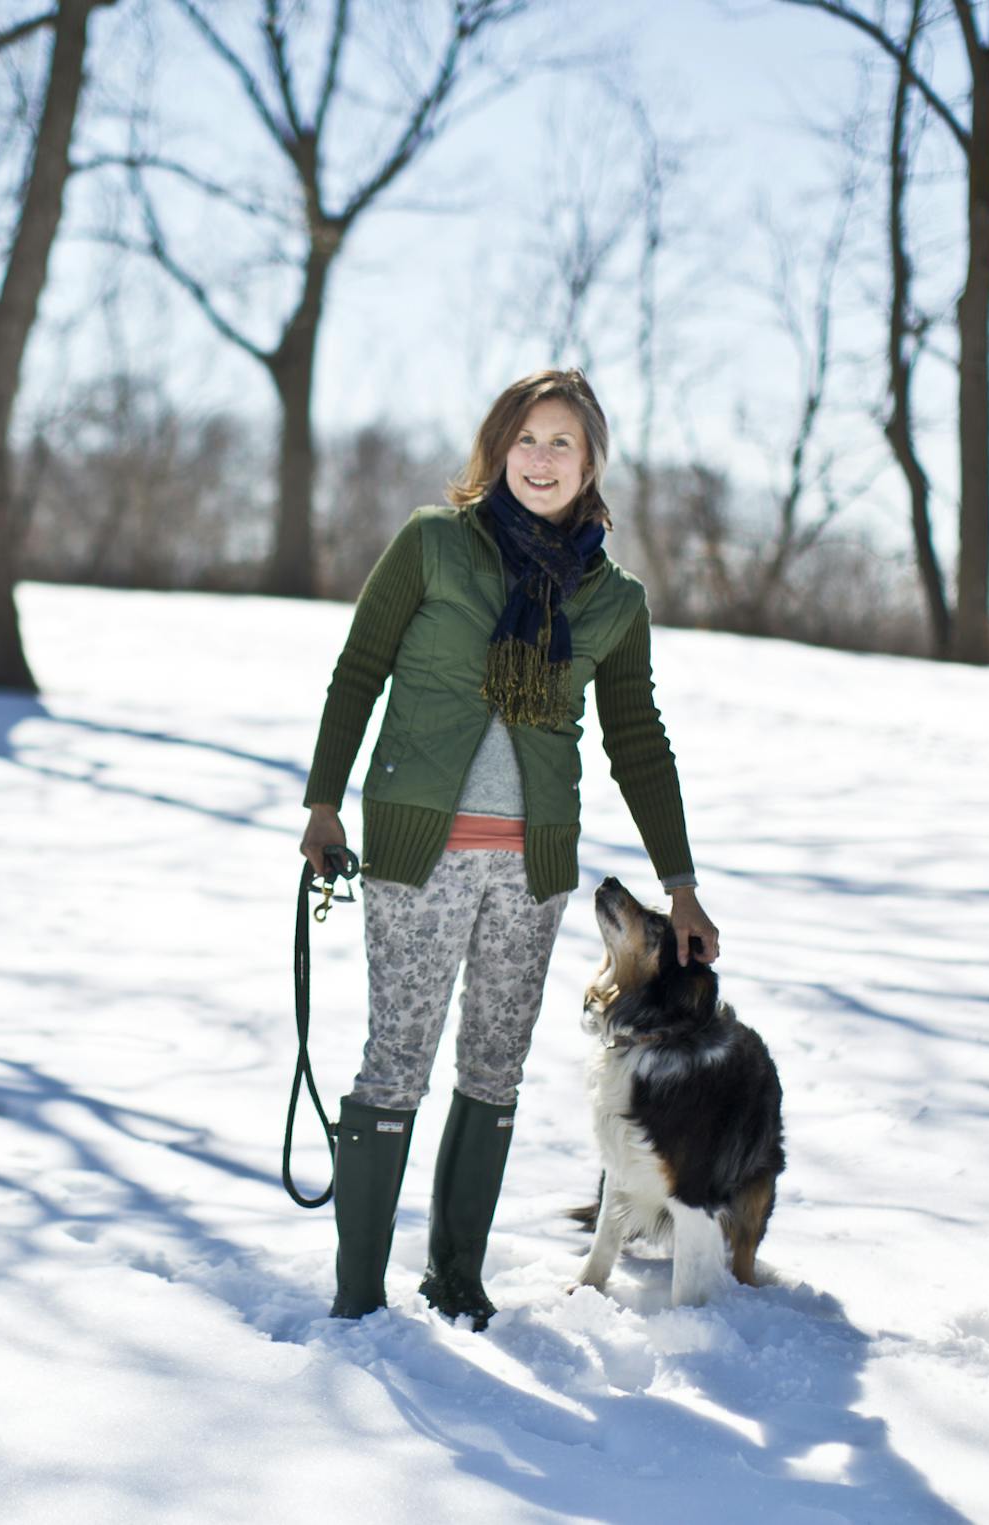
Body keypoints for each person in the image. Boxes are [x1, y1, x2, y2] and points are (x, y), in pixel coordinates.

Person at [298, 367, 719, 1328]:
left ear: (591, 461)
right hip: (420, 848)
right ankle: (359, 1295)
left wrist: (681, 884)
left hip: (532, 868)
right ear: (498, 448)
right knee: (396, 1059)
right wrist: (324, 803)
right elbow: (359, 670)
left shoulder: (612, 599)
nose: (541, 458)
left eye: (562, 442)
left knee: (494, 1068)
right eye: (526, 439)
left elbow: (638, 740)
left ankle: (456, 1278)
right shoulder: (433, 544)